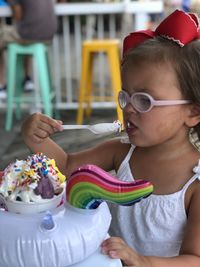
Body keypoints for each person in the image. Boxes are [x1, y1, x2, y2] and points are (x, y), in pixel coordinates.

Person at [21, 10, 200, 266]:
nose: (128, 108)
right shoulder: (122, 151)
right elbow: (67, 167)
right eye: (126, 96)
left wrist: (142, 261)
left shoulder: (195, 180)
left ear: (192, 112)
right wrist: (36, 139)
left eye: (144, 101)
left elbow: (195, 259)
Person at [0, 0, 58, 97]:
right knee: (24, 39)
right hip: (49, 34)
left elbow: (17, 16)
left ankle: (1, 85)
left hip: (30, 35)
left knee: (6, 35)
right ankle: (27, 79)